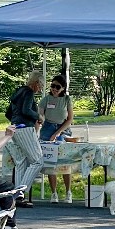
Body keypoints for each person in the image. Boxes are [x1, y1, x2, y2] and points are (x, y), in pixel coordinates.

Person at [5, 71, 46, 207]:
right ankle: (20, 192)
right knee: (38, 161)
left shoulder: (18, 92)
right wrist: (38, 117)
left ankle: (16, 197)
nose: (40, 89)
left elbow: (8, 113)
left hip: (15, 128)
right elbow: (26, 110)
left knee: (21, 162)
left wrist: (15, 122)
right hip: (25, 128)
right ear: (35, 83)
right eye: (40, 85)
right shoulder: (28, 92)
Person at [39, 74, 75, 203]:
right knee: (50, 161)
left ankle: (68, 191)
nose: (54, 89)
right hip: (47, 127)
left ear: (63, 88)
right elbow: (40, 114)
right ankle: (54, 193)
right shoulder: (46, 99)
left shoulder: (66, 99)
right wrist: (40, 121)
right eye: (52, 86)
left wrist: (58, 133)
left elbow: (70, 119)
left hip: (62, 128)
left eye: (57, 87)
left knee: (64, 160)